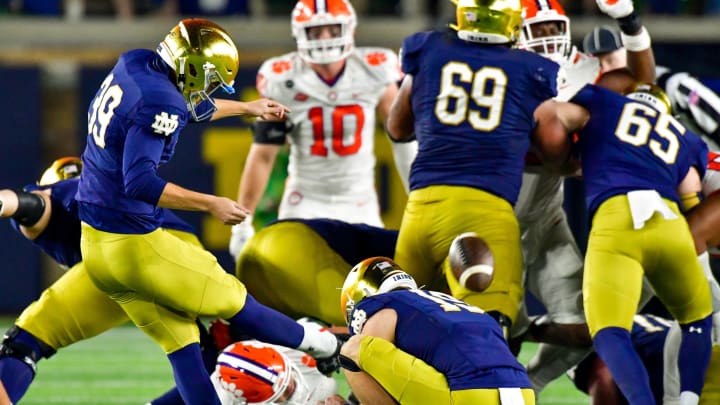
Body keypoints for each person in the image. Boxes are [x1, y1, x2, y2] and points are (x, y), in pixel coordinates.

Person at [75, 18, 339, 405]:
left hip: (96, 249)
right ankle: (325, 344)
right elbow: (140, 182)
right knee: (236, 302)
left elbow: (186, 107)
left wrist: (246, 108)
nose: (210, 90)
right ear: (194, 68)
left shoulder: (136, 63)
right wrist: (210, 203)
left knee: (183, 348)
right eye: (210, 80)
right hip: (134, 246)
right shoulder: (160, 100)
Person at [507, 0, 659, 394]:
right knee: (480, 330)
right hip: (495, 219)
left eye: (551, 28)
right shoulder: (496, 67)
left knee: (586, 324)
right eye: (536, 31)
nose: (547, 38)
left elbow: (643, 81)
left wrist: (629, 21)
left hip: (545, 217)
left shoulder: (577, 67)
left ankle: (531, 379)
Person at [385, 0, 560, 339]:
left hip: (421, 211)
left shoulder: (429, 49)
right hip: (485, 213)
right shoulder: (530, 68)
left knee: (403, 328)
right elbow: (554, 149)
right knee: (488, 331)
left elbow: (397, 127)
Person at [532, 81, 713, 405]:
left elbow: (553, 115)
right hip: (670, 222)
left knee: (608, 332)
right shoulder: (685, 139)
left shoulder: (605, 104)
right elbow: (692, 197)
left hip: (618, 220)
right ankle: (686, 400)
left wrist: (559, 160)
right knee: (697, 319)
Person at [0, 157, 216, 404]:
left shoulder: (58, 194)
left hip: (122, 258)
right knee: (210, 351)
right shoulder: (115, 183)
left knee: (24, 344)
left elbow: (26, 204)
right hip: (186, 253)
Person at [228, 0, 406, 260]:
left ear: (349, 29)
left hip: (360, 201)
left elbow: (402, 140)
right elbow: (263, 155)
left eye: (332, 29)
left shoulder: (374, 69)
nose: (324, 38)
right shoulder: (283, 79)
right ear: (299, 33)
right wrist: (243, 223)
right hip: (305, 200)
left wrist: (419, 197)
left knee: (370, 291)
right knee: (291, 286)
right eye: (315, 31)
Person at [339, 256, 535, 404]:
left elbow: (367, 361)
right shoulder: (448, 305)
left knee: (352, 349)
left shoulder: (383, 305)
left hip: (469, 392)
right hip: (523, 393)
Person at [235, 218, 398, 326]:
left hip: (254, 249)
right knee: (365, 323)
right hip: (292, 248)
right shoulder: (402, 248)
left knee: (264, 334)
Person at [582, 24, 720, 149]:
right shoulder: (599, 104)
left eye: (610, 60)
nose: (605, 69)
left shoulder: (674, 86)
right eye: (598, 64)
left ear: (630, 54)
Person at [567, 314, 720, 405]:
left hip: (664, 361)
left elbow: (602, 376)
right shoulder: (626, 316)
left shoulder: (585, 335)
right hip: (700, 350)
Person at [211, 335, 347, 405]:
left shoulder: (287, 343)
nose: (289, 389)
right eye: (279, 394)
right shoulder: (221, 398)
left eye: (288, 380)